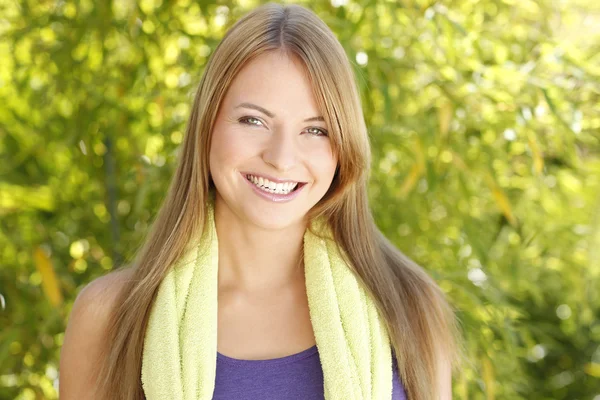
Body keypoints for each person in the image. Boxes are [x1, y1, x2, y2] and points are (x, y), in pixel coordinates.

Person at [59, 3, 458, 399]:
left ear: (343, 146)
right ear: (208, 125)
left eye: (315, 130)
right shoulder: (110, 315)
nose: (281, 158)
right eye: (254, 121)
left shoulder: (410, 306)